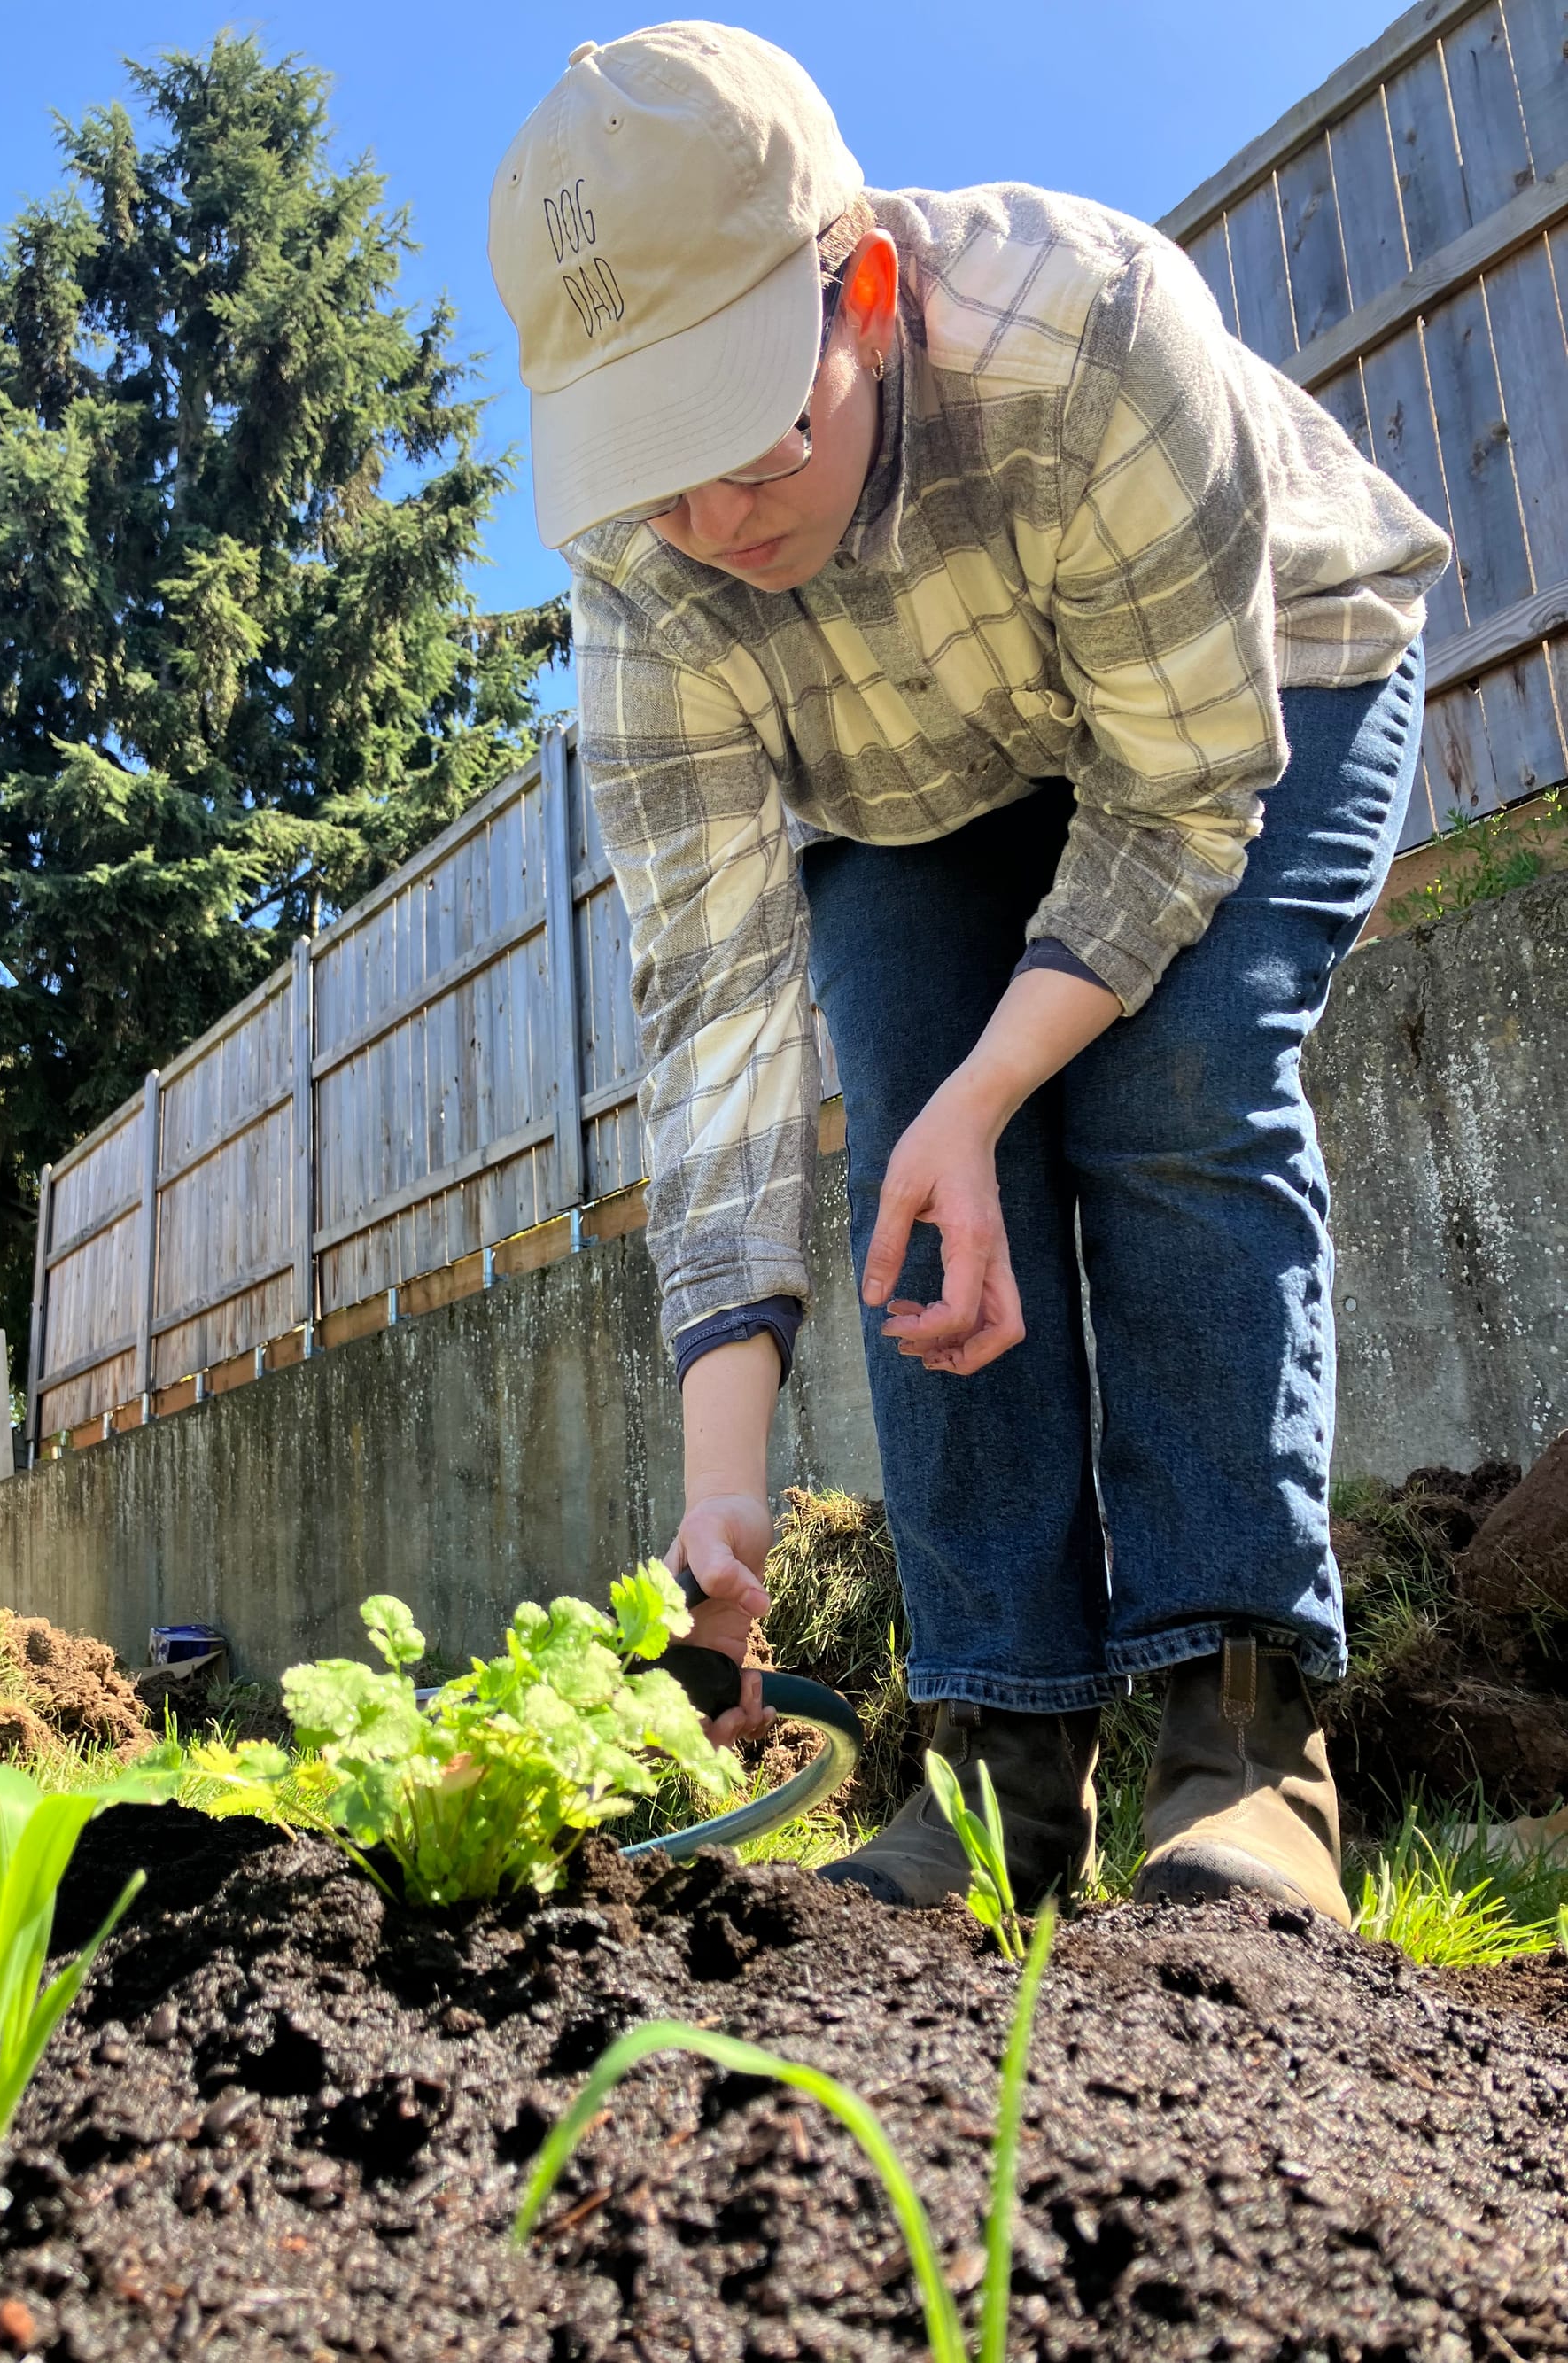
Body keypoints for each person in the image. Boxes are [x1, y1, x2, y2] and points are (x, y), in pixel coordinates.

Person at [488, 25, 1449, 1924]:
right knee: (918, 1184)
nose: (712, 528)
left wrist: (993, 1088)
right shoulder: (650, 573)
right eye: (651, 468)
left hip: (1256, 683)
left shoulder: (1087, 335)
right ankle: (999, 1769)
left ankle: (1243, 1749)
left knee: (1172, 1087)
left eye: (744, 436)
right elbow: (713, 1003)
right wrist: (719, 1489)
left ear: (856, 290)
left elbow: (1178, 803)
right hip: (920, 778)